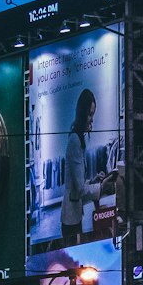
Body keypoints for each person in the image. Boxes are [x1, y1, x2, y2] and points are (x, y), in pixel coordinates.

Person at [61, 89, 116, 244]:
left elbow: (78, 182)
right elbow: (78, 189)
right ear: (82, 113)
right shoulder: (75, 141)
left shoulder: (78, 140)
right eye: (90, 114)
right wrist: (101, 186)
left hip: (74, 215)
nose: (92, 120)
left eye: (93, 114)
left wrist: (93, 181)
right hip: (71, 219)